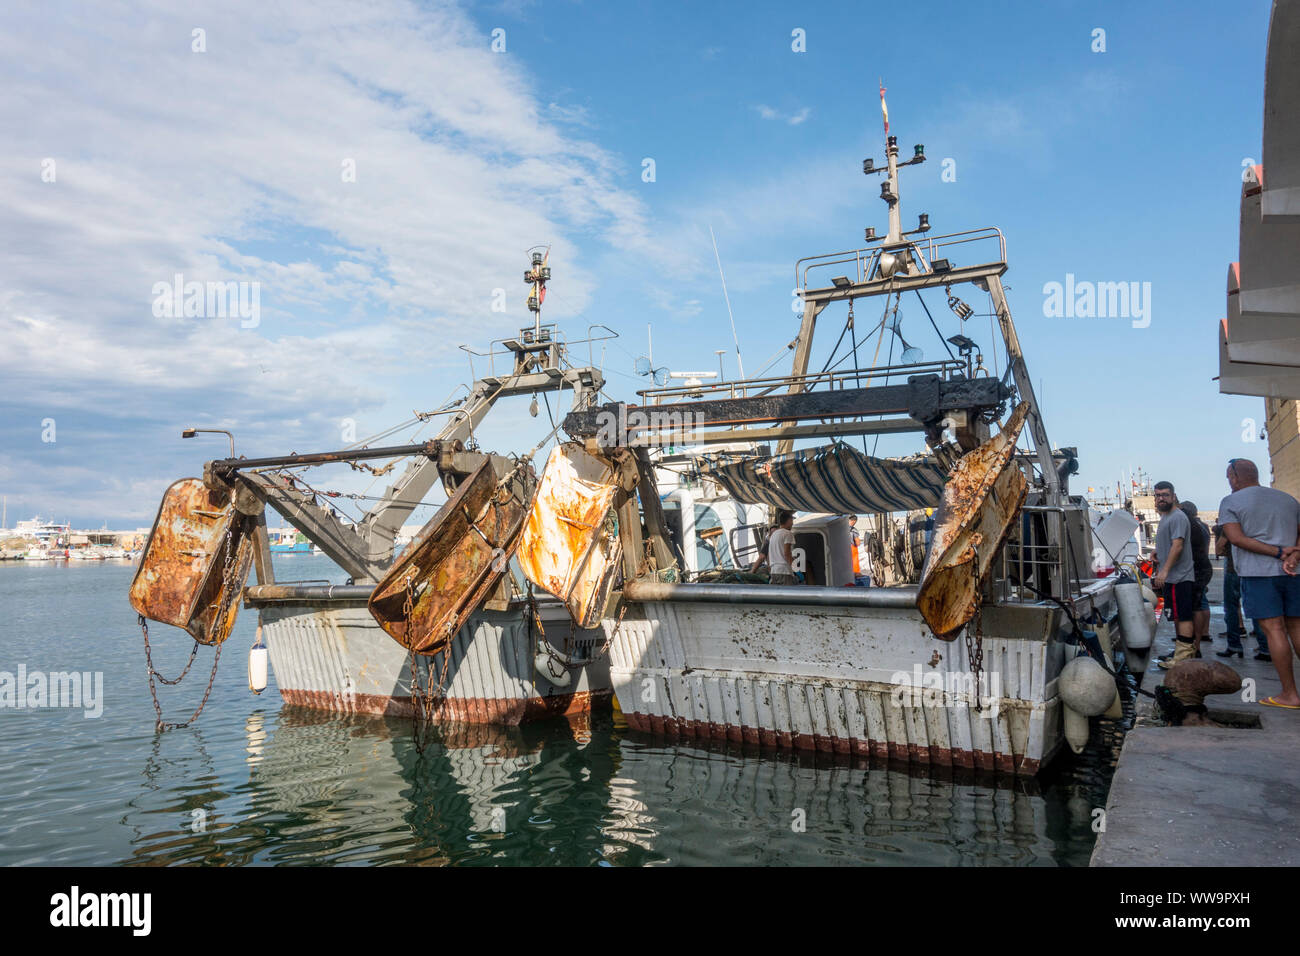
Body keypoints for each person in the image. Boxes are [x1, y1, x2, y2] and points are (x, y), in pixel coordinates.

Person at [1219, 458, 1300, 708]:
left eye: (1228, 477)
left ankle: (1290, 694)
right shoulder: (1287, 499)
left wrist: (1277, 552)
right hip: (1294, 572)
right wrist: (1294, 554)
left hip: (1259, 574)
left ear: (1234, 476)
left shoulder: (1230, 502)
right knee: (1297, 628)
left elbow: (1236, 539)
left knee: (1274, 630)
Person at [1152, 481, 1197, 670]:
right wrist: (1157, 553)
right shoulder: (1166, 517)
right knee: (1176, 617)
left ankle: (1184, 656)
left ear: (1173, 496)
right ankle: (1179, 652)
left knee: (1184, 617)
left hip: (1180, 577)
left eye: (1165, 494)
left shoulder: (1177, 517)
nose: (1161, 498)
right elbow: (1169, 544)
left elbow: (1178, 546)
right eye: (1158, 495)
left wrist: (1164, 571)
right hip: (1173, 578)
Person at [1213, 519, 1269, 659]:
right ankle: (1265, 647)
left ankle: (1234, 645)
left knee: (1231, 608)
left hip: (1234, 569)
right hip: (1254, 570)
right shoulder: (1256, 524)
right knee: (1256, 609)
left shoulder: (1231, 525)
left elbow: (1219, 548)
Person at [1179, 500, 1213, 652]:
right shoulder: (1203, 526)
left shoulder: (1188, 525)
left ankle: (1193, 644)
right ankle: (1203, 634)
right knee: (1201, 603)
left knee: (1195, 606)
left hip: (1194, 568)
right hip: (1204, 565)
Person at [751, 509, 797, 585]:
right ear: (789, 520)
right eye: (792, 520)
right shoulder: (787, 533)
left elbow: (766, 555)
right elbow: (787, 554)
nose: (792, 523)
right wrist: (795, 569)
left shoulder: (773, 535)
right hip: (784, 571)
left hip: (774, 572)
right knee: (788, 595)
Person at [848, 515, 871, 586]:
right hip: (852, 548)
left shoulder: (841, 528)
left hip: (844, 548)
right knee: (854, 564)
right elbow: (857, 542)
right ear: (853, 521)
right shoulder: (853, 530)